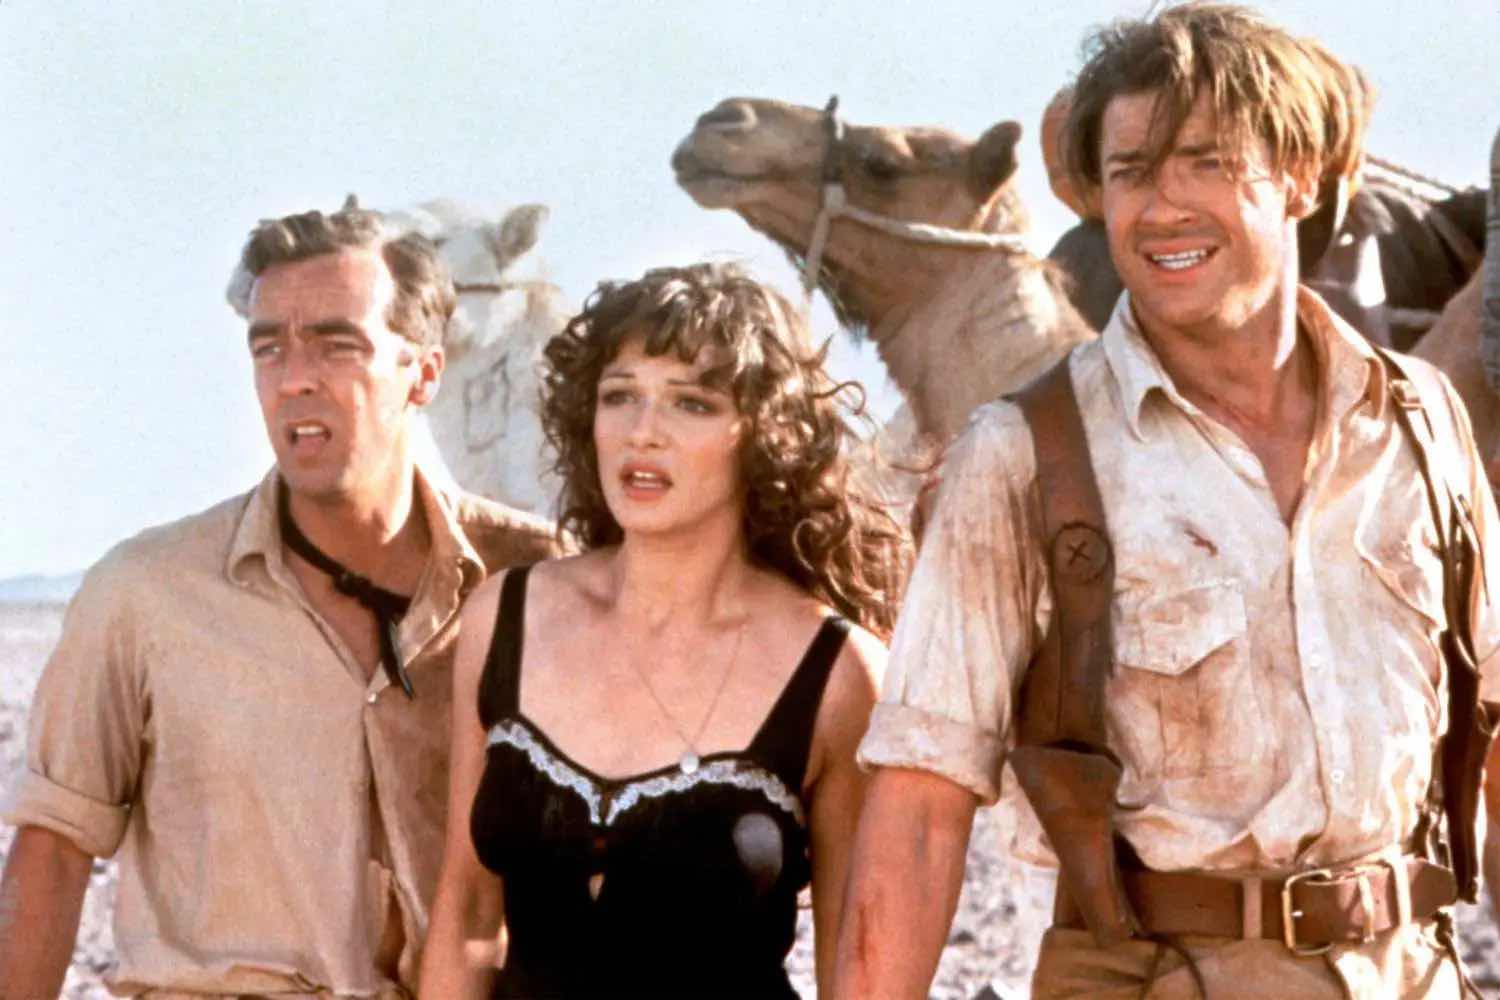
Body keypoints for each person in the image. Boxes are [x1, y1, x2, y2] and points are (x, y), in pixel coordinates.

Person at [834, 5, 1500, 999]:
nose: (1162, 207)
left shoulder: (1422, 423)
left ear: (1300, 176)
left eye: (1207, 162)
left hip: (1410, 972)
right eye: (1132, 171)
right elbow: (922, 809)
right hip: (1151, 974)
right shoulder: (1021, 456)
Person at [0, 204, 560, 997]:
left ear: (424, 372)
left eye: (337, 345)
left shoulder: (537, 584)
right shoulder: (146, 595)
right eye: (269, 348)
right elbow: (53, 855)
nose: (295, 377)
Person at [419, 262, 909, 998]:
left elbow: (856, 972)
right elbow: (467, 915)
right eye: (620, 396)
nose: (642, 433)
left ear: (763, 434)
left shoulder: (837, 673)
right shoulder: (505, 617)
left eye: (691, 403)